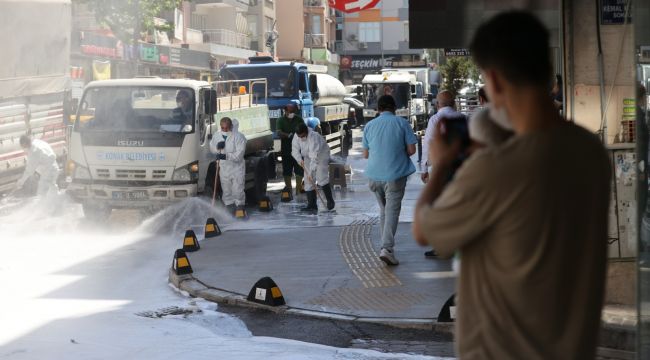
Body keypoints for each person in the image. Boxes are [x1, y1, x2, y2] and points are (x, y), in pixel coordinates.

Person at [412, 11, 610, 359]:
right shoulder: (589, 150)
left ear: (494, 80)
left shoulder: (496, 169)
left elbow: (423, 230)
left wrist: (442, 163)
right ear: (548, 70)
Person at [363, 95, 417, 266]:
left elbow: (365, 154)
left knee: (384, 211)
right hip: (394, 175)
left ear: (378, 109)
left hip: (373, 176)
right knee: (392, 212)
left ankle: (386, 248)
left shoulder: (369, 125)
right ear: (394, 108)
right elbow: (411, 150)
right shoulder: (402, 123)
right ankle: (386, 248)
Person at [421, 90, 464, 182]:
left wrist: (424, 169)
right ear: (453, 103)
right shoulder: (463, 118)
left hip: (440, 168)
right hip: (461, 169)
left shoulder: (434, 120)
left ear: (437, 104)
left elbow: (427, 144)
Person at [291, 123, 335, 212]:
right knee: (307, 180)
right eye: (299, 136)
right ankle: (312, 205)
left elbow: (314, 157)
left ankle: (330, 201)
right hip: (307, 155)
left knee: (321, 176)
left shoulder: (313, 137)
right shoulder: (296, 136)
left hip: (321, 154)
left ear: (306, 132)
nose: (301, 138)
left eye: (302, 136)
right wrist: (300, 161)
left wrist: (311, 172)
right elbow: (294, 150)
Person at [210, 117, 247, 214]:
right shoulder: (217, 136)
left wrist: (226, 156)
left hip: (237, 168)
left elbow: (239, 155)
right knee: (226, 190)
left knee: (237, 190)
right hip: (224, 168)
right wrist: (217, 148)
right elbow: (212, 148)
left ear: (231, 126)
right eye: (223, 128)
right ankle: (229, 208)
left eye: (227, 128)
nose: (225, 130)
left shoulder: (239, 137)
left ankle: (240, 207)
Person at [276, 104, 304, 195]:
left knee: (299, 169)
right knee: (287, 170)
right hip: (286, 150)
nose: (292, 113)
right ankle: (289, 190)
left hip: (299, 149)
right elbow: (279, 132)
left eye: (293, 112)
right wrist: (288, 135)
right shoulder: (280, 120)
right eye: (290, 112)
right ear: (285, 111)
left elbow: (304, 130)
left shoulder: (299, 119)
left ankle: (298, 189)